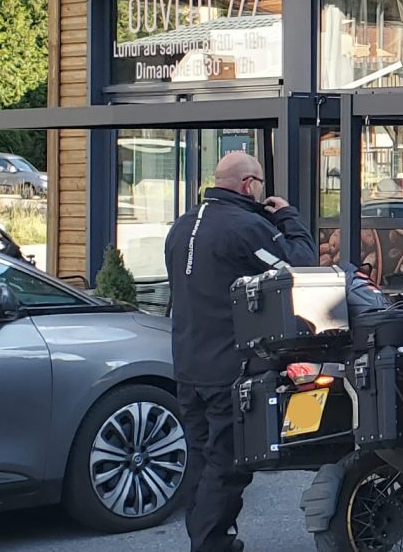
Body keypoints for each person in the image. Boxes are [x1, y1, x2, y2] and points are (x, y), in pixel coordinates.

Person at [164, 151, 318, 552]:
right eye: (262, 183)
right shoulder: (246, 226)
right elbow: (300, 264)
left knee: (199, 455)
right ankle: (211, 543)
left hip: (187, 362)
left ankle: (204, 538)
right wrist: (287, 217)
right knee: (227, 461)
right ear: (249, 184)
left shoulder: (181, 227)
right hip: (227, 366)